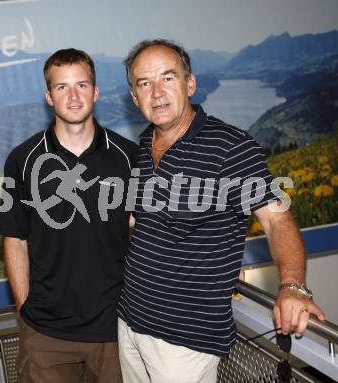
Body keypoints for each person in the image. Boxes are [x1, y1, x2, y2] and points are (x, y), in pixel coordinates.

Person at [117, 39, 325, 383]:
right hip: (129, 322)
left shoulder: (230, 147)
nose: (156, 92)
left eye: (168, 78)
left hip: (183, 342)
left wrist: (293, 286)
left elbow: (276, 219)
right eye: (144, 83)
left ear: (190, 84)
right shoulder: (143, 145)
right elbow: (143, 223)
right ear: (134, 96)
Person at [0, 48, 137, 383]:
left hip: (115, 329)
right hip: (47, 334)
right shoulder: (21, 160)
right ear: (49, 96)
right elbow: (15, 239)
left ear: (96, 91)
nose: (73, 96)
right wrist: (25, 310)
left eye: (82, 85)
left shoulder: (129, 158)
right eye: (62, 87)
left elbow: (147, 229)